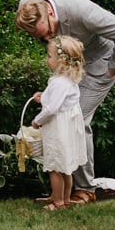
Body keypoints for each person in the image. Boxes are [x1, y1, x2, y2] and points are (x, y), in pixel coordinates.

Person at [12, 0, 115, 204]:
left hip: (100, 64)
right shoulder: (28, 6)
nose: (47, 39)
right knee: (65, 118)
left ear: (50, 13)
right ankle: (62, 190)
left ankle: (86, 190)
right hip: (68, 69)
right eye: (40, 38)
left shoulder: (83, 12)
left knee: (77, 119)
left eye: (48, 33)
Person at [31, 37, 89, 210]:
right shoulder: (68, 80)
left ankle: (57, 203)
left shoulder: (59, 83)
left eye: (49, 56)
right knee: (66, 168)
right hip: (68, 131)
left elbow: (51, 110)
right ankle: (65, 199)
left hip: (58, 131)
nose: (46, 59)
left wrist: (37, 121)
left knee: (55, 168)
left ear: (62, 61)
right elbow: (59, 102)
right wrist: (44, 97)